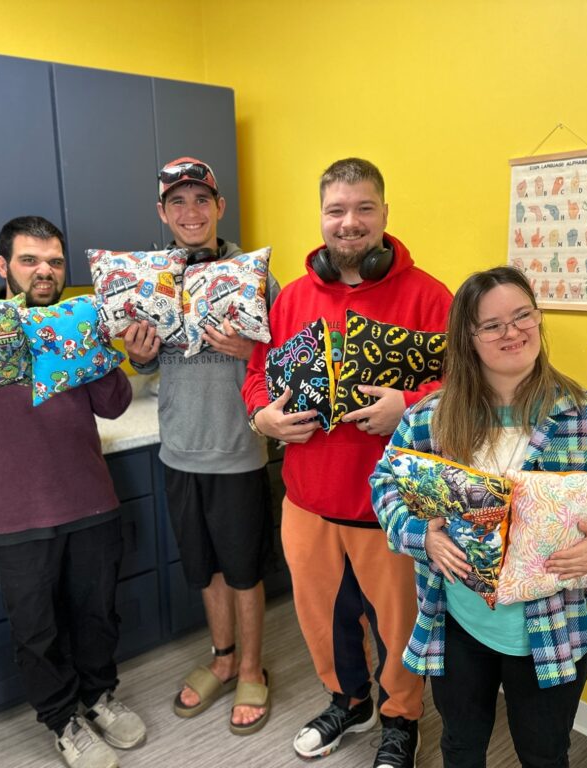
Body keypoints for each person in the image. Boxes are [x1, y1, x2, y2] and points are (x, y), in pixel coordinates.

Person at [370, 266, 587, 768]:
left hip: (554, 629)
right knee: (461, 747)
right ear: (467, 338)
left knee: (545, 752)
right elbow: (385, 485)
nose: (512, 332)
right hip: (456, 623)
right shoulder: (431, 416)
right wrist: (422, 535)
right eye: (492, 325)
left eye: (523, 315)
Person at [243, 158, 453, 768]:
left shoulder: (430, 296)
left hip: (389, 508)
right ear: (322, 218)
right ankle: (349, 701)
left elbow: (466, 390)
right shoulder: (291, 299)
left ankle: (400, 721)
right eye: (337, 210)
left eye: (364, 208)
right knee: (324, 623)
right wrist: (263, 419)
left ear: (385, 213)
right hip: (307, 500)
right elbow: (258, 375)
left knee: (397, 629)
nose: (350, 222)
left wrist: (409, 406)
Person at [0, 216, 145, 768]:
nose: (44, 271)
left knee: (96, 614)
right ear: (2, 266)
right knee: (36, 630)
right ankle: (64, 721)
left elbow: (114, 405)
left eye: (55, 261)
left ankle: (98, 697)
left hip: (88, 497)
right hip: (11, 513)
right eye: (29, 260)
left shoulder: (75, 320)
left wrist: (103, 348)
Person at [123, 158, 278, 735]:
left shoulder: (256, 275)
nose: (191, 212)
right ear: (163, 212)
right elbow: (147, 361)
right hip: (179, 447)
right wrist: (139, 352)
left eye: (201, 200)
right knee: (206, 570)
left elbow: (288, 362)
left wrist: (250, 352)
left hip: (237, 448)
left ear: (220, 207)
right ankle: (223, 656)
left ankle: (253, 667)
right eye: (178, 202)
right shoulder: (150, 280)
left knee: (243, 570)